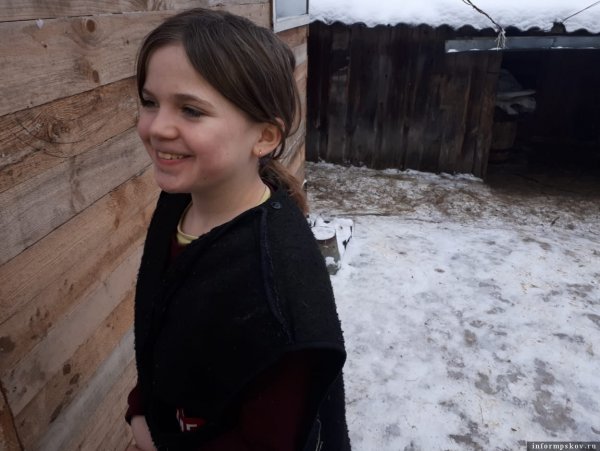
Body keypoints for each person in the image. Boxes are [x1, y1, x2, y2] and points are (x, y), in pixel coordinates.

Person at [125, 8, 350, 451]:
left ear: (264, 137)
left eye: (191, 110)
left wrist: (156, 440)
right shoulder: (179, 204)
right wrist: (142, 403)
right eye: (150, 102)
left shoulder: (278, 284)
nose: (156, 128)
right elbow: (162, 325)